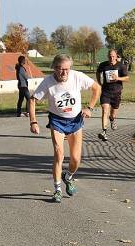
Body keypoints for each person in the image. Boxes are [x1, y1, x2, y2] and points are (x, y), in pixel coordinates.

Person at [29, 54, 101, 203]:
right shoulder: (48, 82)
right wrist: (33, 122)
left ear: (70, 68)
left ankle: (68, 177)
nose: (64, 73)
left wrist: (90, 108)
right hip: (57, 121)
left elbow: (96, 88)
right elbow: (32, 100)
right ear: (54, 68)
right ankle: (57, 190)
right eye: (60, 69)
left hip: (75, 120)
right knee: (59, 155)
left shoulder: (77, 77)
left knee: (75, 159)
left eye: (67, 69)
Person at [96, 49, 129, 141]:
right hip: (105, 92)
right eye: (110, 56)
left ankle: (112, 119)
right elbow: (98, 72)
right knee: (104, 110)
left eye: (113, 56)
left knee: (113, 114)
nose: (111, 58)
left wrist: (117, 78)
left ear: (116, 56)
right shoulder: (103, 65)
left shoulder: (121, 66)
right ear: (108, 56)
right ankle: (104, 132)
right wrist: (99, 82)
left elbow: (127, 78)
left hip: (117, 92)